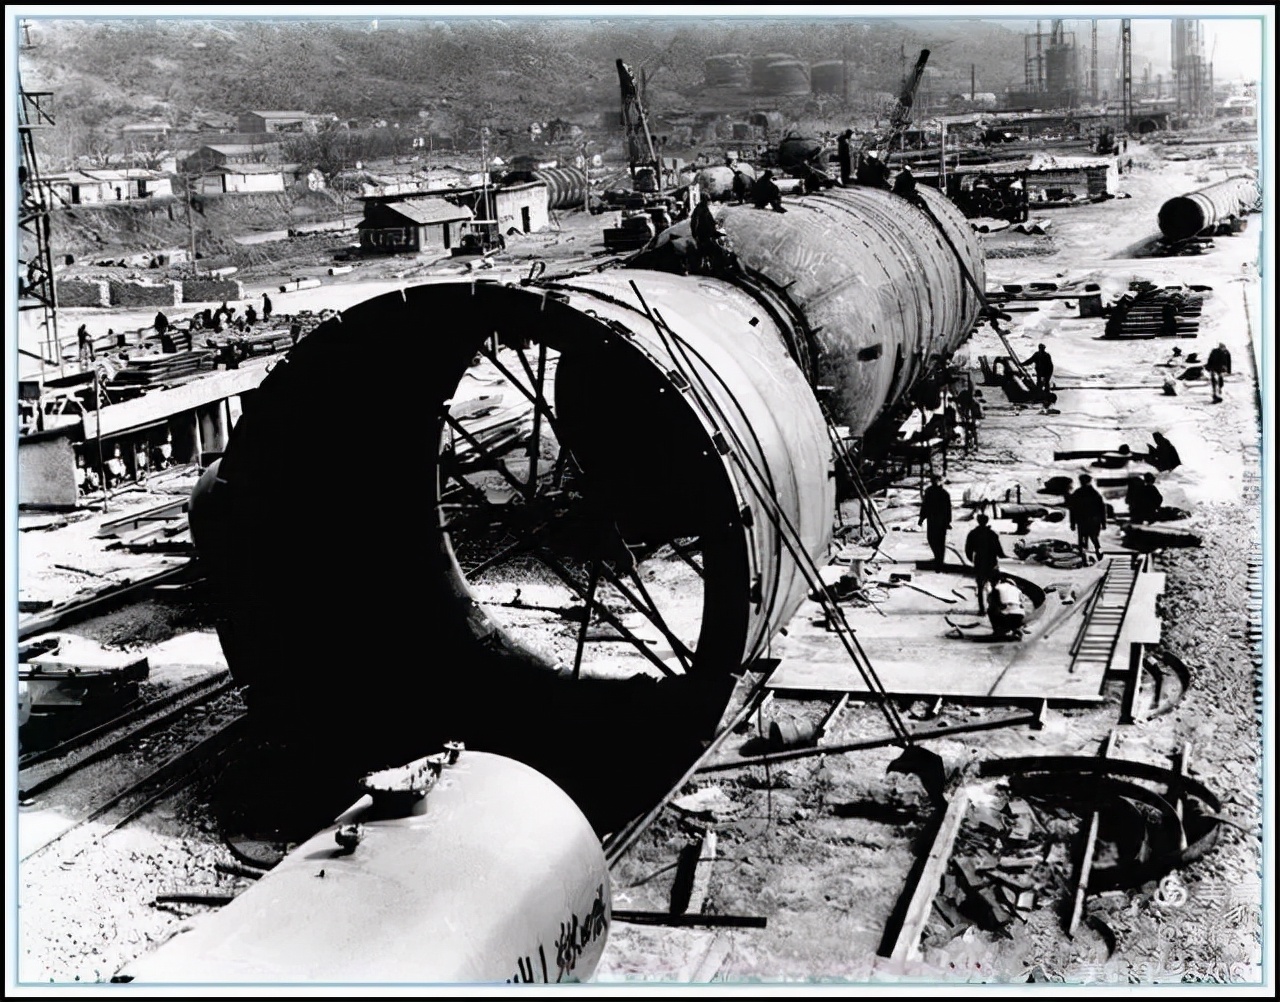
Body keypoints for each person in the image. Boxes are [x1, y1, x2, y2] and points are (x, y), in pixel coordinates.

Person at [965, 513, 1006, 615]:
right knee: (994, 586)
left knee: (980, 587)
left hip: (979, 563)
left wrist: (972, 560)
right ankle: (995, 607)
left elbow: (968, 550)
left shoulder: (973, 534)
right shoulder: (992, 534)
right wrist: (1003, 556)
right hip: (992, 562)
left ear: (978, 521)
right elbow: (999, 550)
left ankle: (982, 609)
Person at [1067, 472, 1107, 565]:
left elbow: (1073, 509)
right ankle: (1097, 550)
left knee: (1083, 539)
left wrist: (1072, 523)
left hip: (1082, 520)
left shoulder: (1077, 493)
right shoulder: (1094, 493)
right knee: (1093, 538)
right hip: (1093, 520)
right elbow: (1102, 509)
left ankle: (1084, 556)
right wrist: (1103, 523)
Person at [918, 474, 952, 567]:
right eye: (935, 480)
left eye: (938, 481)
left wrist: (948, 521)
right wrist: (921, 518)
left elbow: (948, 509)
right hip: (932, 519)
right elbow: (925, 505)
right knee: (931, 538)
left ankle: (939, 560)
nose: (936, 482)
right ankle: (938, 557)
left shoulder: (944, 494)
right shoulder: (929, 491)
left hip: (941, 520)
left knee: (940, 540)